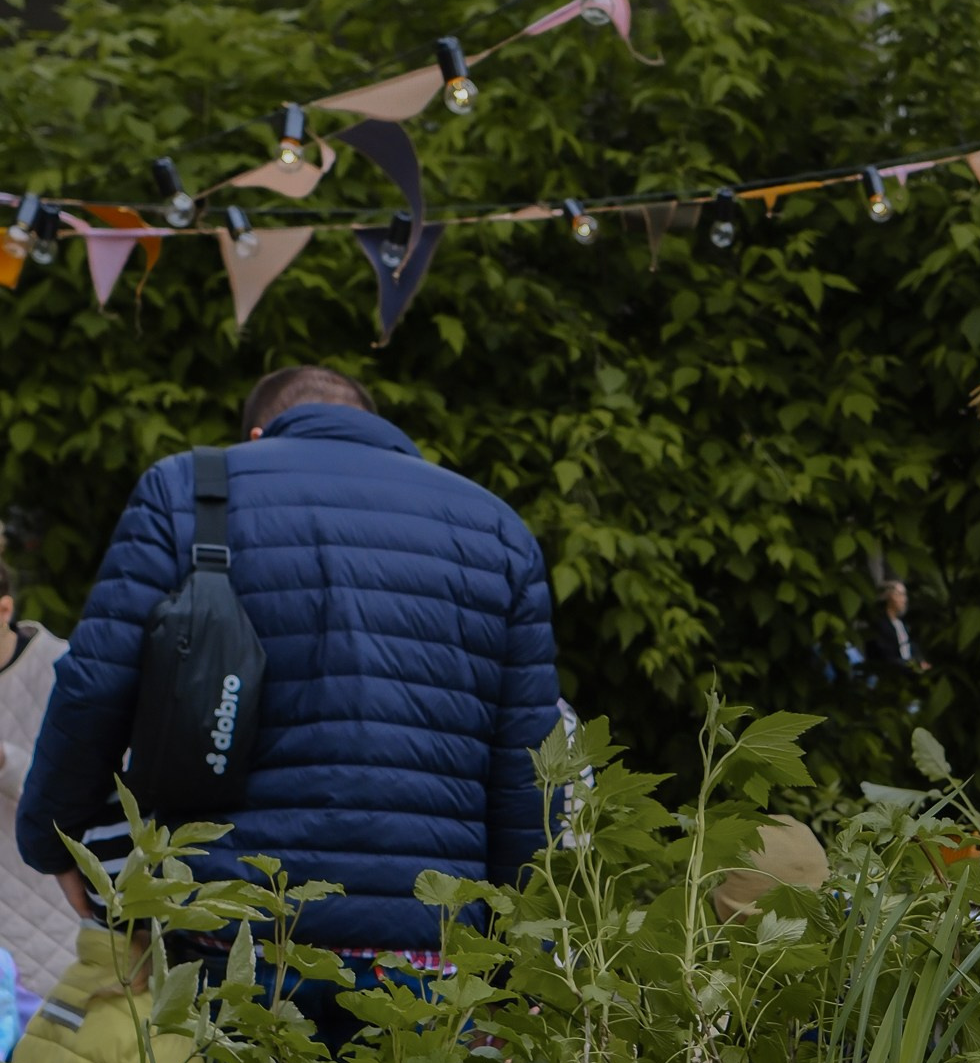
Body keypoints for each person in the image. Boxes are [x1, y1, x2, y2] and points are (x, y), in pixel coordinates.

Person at [17, 366, 561, 989]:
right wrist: (518, 954)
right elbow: (529, 768)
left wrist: (53, 840)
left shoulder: (187, 490)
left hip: (234, 927)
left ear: (258, 435)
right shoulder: (498, 530)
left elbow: (94, 686)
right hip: (428, 945)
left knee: (230, 1056)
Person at [0, 548, 77, 1013]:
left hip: (54, 931)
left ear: (5, 610)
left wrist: (5, 762)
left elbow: (92, 796)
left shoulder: (64, 670)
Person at [865, 575, 927, 675]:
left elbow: (911, 645)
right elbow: (885, 656)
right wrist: (910, 666)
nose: (904, 599)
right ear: (888, 597)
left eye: (904, 595)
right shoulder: (880, 624)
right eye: (900, 594)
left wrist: (920, 661)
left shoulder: (902, 623)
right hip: (892, 674)